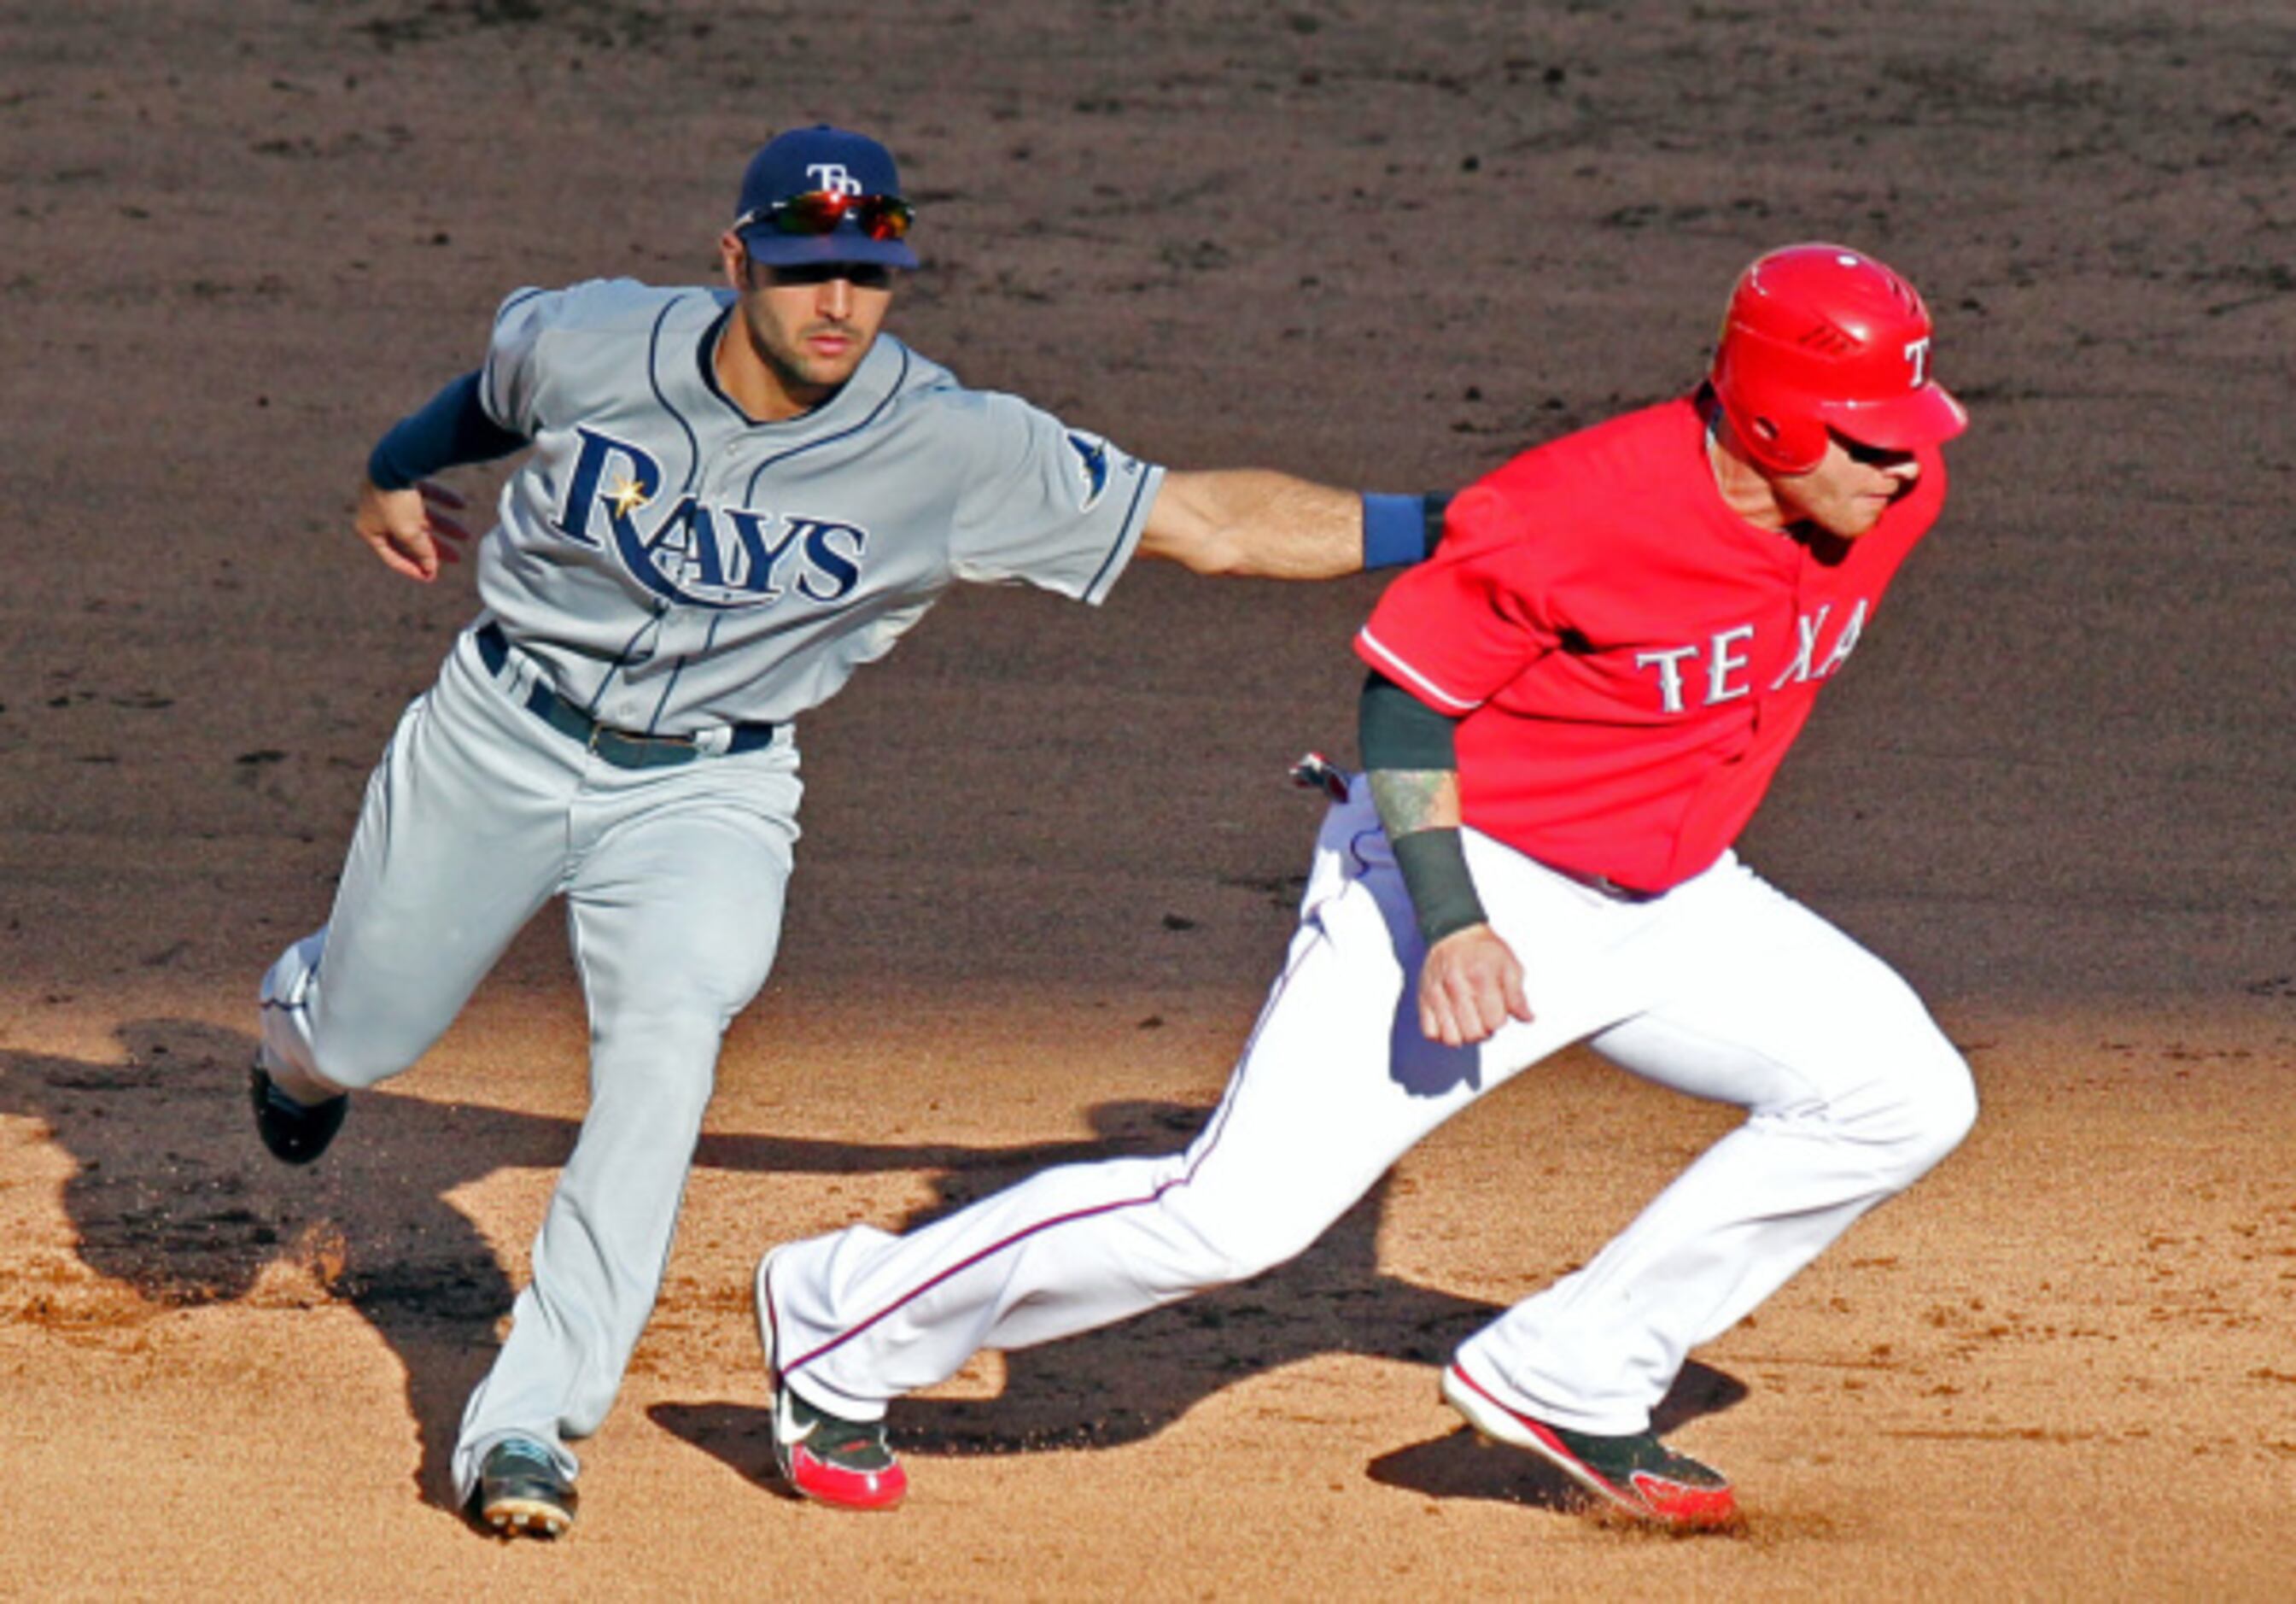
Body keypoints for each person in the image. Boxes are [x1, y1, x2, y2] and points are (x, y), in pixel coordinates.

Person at [248, 123, 1442, 1539]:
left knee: (665, 1051)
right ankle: (296, 1036)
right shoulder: (594, 339)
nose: (839, 305)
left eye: (870, 274)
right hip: (494, 735)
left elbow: (1209, 523)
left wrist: (1460, 525)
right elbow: (484, 402)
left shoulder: (949, 446)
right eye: (808, 269)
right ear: (736, 259)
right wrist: (391, 469)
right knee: (367, 1033)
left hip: (707, 793)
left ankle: (531, 1421)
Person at [751, 243, 1980, 1529]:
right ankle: (842, 1314)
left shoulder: (1891, 495)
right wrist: (1450, 918)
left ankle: (1571, 1370)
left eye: (1908, 434)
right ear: (1773, 412)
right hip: (1462, 876)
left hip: (1676, 899)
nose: (1901, 464)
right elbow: (1407, 705)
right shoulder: (1582, 508)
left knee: (1896, 1095)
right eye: (1867, 437)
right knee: (1223, 1222)